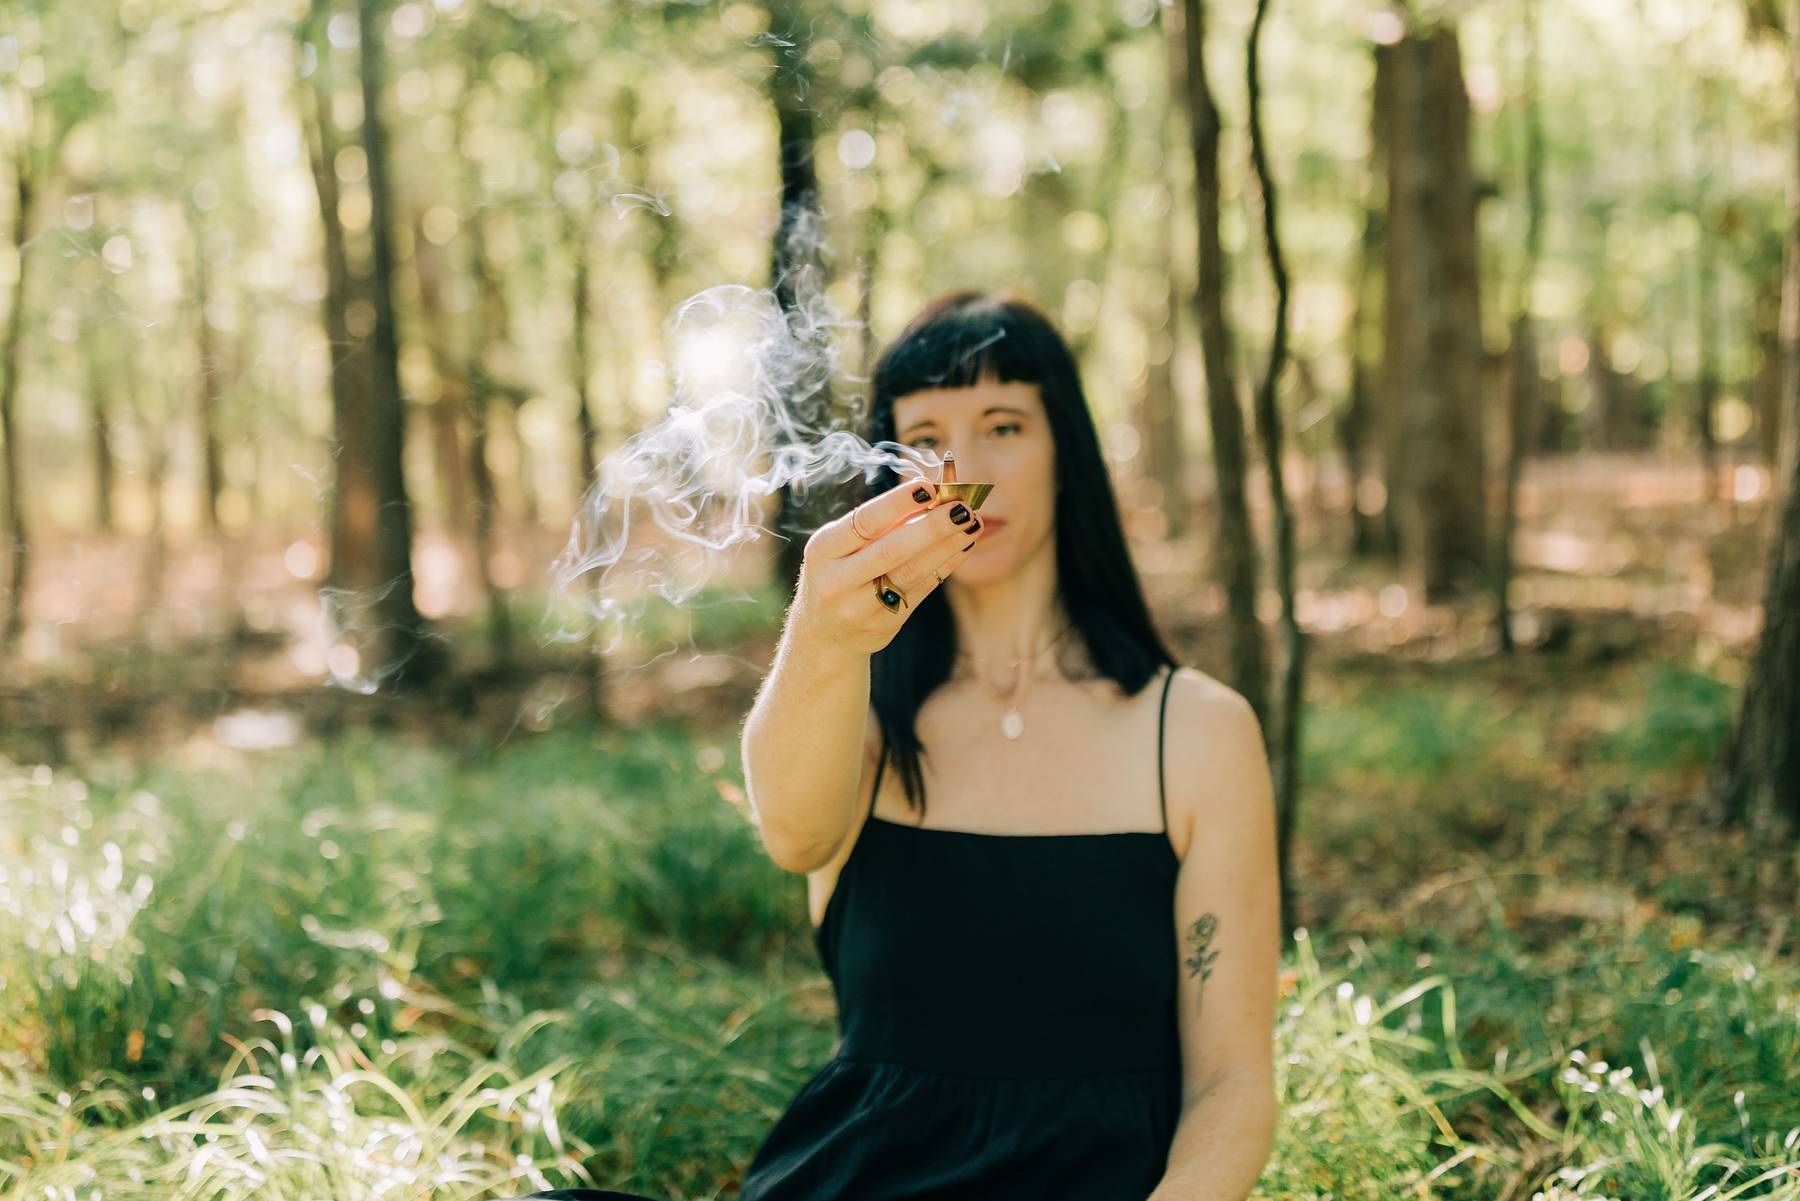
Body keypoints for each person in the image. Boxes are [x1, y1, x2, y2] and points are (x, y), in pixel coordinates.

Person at [735, 290, 1281, 1200]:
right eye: (925, 436)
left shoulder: (1196, 732)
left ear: (1064, 450)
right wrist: (824, 637)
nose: (962, 466)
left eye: (1003, 425)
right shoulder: (855, 715)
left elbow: (1233, 1080)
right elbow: (793, 835)